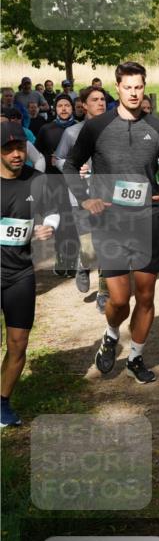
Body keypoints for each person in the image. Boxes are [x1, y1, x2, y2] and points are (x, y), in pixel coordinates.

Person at [63, 61, 159, 384]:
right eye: (127, 87)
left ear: (144, 88)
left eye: (138, 87)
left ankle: (135, 358)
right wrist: (85, 198)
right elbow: (71, 165)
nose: (133, 93)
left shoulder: (157, 127)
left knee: (145, 296)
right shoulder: (97, 127)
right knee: (119, 300)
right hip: (110, 223)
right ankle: (111, 333)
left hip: (147, 219)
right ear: (117, 88)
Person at [1, 122, 59, 427]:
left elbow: (53, 211)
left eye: (20, 147)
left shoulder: (37, 180)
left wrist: (49, 226)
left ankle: (2, 402)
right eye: (8, 149)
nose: (16, 154)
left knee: (19, 342)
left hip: (20, 273)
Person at [54, 85, 109, 307]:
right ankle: (83, 264)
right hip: (81, 197)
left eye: (103, 99)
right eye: (95, 100)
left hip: (107, 196)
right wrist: (75, 169)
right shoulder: (72, 133)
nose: (100, 103)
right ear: (84, 105)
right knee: (89, 248)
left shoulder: (113, 130)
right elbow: (58, 159)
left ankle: (104, 292)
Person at [35, 94, 78, 275]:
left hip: (75, 180)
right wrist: (49, 159)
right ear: (55, 109)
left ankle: (73, 258)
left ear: (72, 107)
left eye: (67, 105)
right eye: (60, 105)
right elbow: (37, 154)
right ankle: (61, 256)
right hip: (53, 180)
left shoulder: (79, 128)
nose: (64, 108)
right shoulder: (46, 129)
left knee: (73, 219)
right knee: (59, 218)